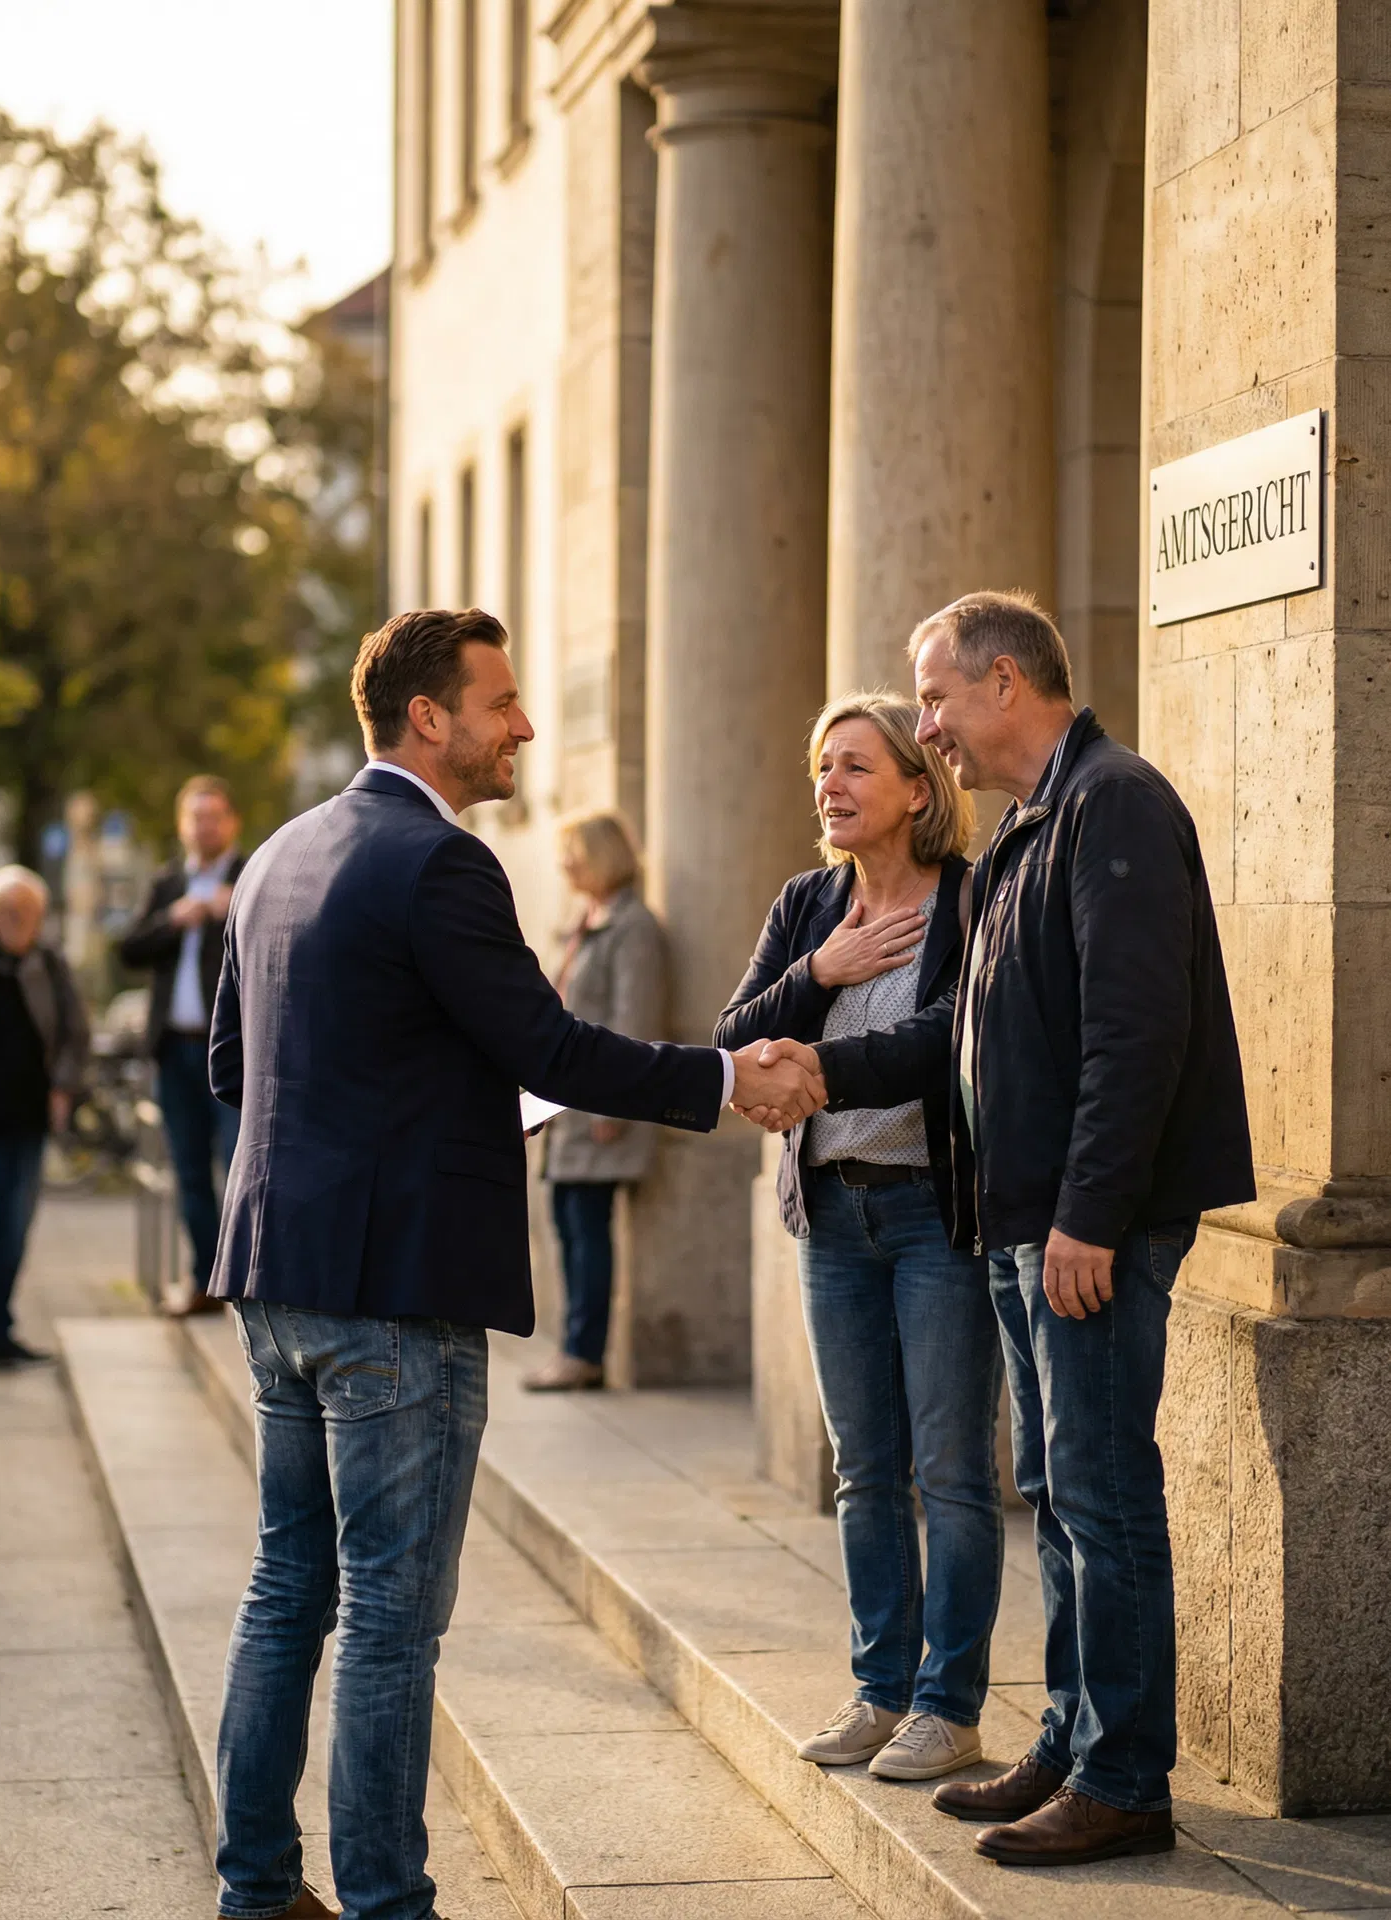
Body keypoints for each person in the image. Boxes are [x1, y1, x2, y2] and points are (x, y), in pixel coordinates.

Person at [206, 606, 822, 1920]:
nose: (523, 726)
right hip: (396, 1299)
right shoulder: (441, 863)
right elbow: (548, 1049)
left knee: (285, 1588)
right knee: (386, 1615)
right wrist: (723, 1076)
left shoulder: (275, 856)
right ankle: (385, 1905)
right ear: (429, 717)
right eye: (500, 702)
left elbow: (230, 1071)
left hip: (275, 1275)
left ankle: (256, 1891)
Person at [756, 591, 1255, 1868]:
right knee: (1056, 1490)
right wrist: (816, 1069)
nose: (928, 727)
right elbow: (963, 1045)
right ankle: (1074, 1737)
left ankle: (1126, 1778)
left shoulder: (1115, 802)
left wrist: (1089, 1215)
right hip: (1024, 1223)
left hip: (1093, 1227)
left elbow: (1137, 1036)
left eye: (934, 699)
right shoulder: (1041, 821)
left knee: (1101, 1492)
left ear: (1005, 684)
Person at [717, 692, 1002, 1784]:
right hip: (831, 1212)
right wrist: (820, 976)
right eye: (821, 767)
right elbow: (734, 1037)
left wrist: (819, 1066)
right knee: (866, 1468)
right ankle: (883, 1690)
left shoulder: (970, 903)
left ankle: (950, 1705)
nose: (829, 785)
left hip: (936, 1212)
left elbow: (948, 1045)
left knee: (951, 1468)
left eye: (855, 767)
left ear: (918, 793)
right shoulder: (806, 905)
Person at [526, 811, 669, 1392]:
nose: (565, 866)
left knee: (586, 1232)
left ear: (604, 855)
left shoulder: (635, 928)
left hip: (600, 1108)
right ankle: (574, 1348)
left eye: (575, 854)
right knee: (567, 1225)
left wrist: (615, 1105)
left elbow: (636, 1019)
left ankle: (584, 1354)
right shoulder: (584, 919)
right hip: (566, 1107)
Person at [119, 774, 246, 1317]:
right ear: (182, 825)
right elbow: (127, 949)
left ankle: (246, 1282)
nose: (206, 826)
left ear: (232, 823)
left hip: (234, 1052)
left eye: (215, 816)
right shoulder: (168, 883)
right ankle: (205, 1280)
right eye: (197, 817)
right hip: (174, 1051)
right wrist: (173, 920)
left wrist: (234, 906)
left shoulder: (250, 874)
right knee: (190, 1173)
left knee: (239, 1166)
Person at [0, 866, 89, 1367]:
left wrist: (64, 1087)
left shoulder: (52, 967)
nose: (18, 920)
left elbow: (76, 1036)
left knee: (8, 1236)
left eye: (28, 912)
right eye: (7, 911)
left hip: (21, 1125)